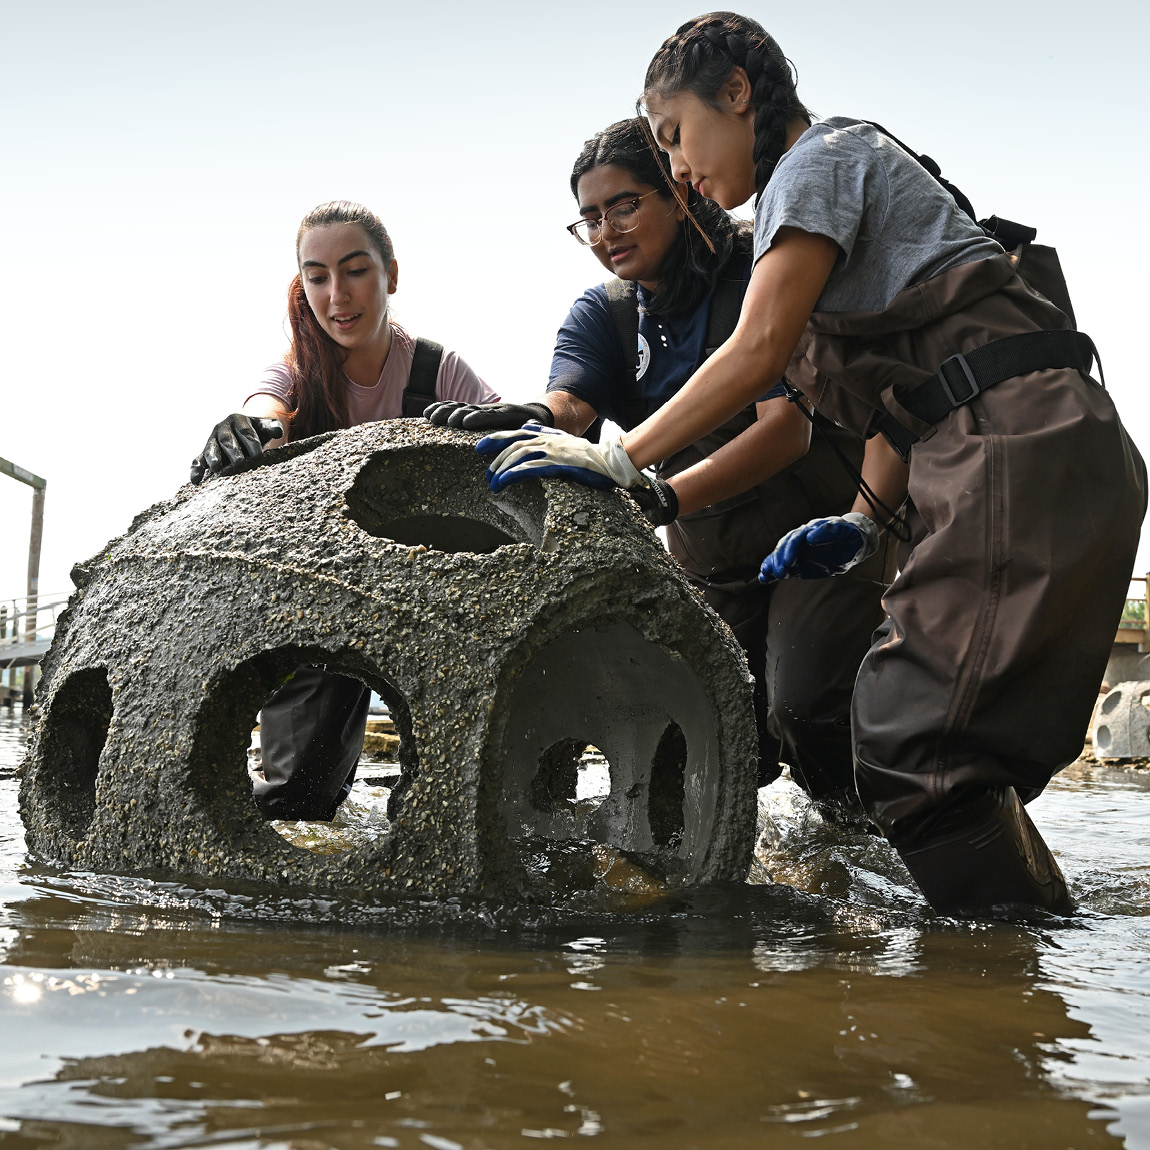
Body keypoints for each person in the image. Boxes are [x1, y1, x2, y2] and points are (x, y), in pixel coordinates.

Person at [481, 14, 1147, 918]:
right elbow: (901, 398)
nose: (679, 168)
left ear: (738, 93)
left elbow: (758, 351)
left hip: (1015, 440)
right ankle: (1027, 966)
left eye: (676, 137)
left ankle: (1001, 986)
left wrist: (625, 460)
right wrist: (868, 519)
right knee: (935, 755)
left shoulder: (818, 162)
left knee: (916, 751)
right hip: (997, 450)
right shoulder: (817, 206)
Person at [429, 117, 892, 821]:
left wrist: (665, 497)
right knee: (703, 745)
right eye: (588, 217)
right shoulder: (605, 313)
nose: (605, 230)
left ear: (679, 193)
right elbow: (572, 406)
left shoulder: (754, 270)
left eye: (623, 205)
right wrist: (529, 419)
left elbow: (786, 431)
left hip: (818, 545)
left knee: (804, 709)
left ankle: (868, 865)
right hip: (714, 565)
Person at [190, 200, 498, 820]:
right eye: (317, 276)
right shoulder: (295, 373)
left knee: (455, 798)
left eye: (355, 270)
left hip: (425, 602)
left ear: (390, 275)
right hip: (316, 613)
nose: (338, 296)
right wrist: (249, 427)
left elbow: (502, 442)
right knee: (301, 803)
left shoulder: (439, 371)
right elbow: (266, 409)